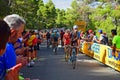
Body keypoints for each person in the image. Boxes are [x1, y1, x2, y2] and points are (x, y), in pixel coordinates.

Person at [0, 14, 25, 80]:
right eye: (20, 33)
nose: (20, 36)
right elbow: (12, 75)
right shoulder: (8, 47)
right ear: (13, 32)